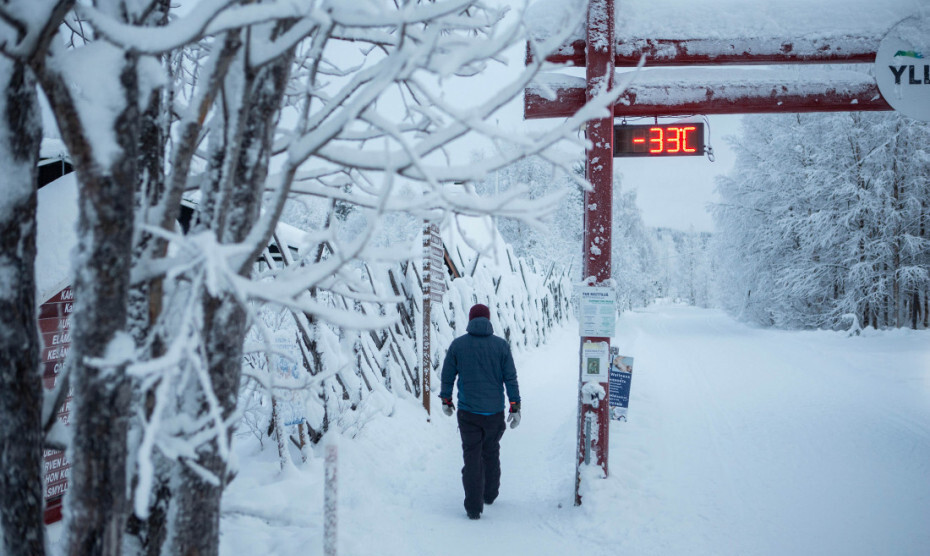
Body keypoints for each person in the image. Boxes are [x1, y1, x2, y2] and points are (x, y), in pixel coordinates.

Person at [439, 303, 521, 520]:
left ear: (470, 319)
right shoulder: (501, 346)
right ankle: (490, 493)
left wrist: (446, 400)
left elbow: (447, 376)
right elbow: (510, 378)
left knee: (472, 457)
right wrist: (515, 406)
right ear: (488, 319)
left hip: (468, 413)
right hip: (494, 412)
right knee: (491, 451)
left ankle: (474, 507)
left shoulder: (458, 345)